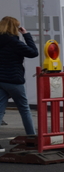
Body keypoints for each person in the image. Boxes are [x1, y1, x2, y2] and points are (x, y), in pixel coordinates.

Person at [0, 16, 39, 152]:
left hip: (1, 80)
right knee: (24, 109)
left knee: (0, 110)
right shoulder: (13, 42)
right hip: (14, 80)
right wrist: (26, 35)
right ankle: (32, 138)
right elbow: (33, 53)